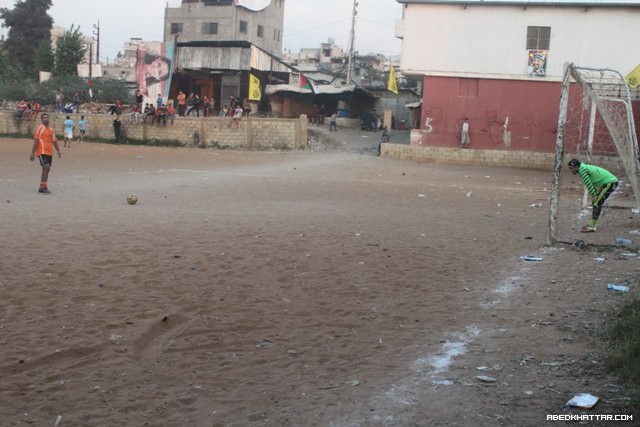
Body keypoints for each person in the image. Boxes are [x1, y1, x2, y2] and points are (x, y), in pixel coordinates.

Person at [568, 158, 619, 233]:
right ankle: (591, 224)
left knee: (597, 203)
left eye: (571, 168)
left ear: (576, 167)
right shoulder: (583, 168)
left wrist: (594, 196)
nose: (571, 170)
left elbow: (589, 185)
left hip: (610, 183)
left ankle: (592, 226)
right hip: (609, 182)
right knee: (596, 202)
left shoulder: (583, 171)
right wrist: (595, 195)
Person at [29, 113, 61, 194]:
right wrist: (32, 153)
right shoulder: (40, 128)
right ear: (42, 119)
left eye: (47, 117)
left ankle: (42, 186)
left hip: (49, 152)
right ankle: (43, 187)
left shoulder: (51, 130)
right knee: (46, 167)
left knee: (47, 169)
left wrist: (58, 150)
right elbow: (36, 141)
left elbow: (54, 141)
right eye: (44, 117)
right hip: (41, 151)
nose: (46, 119)